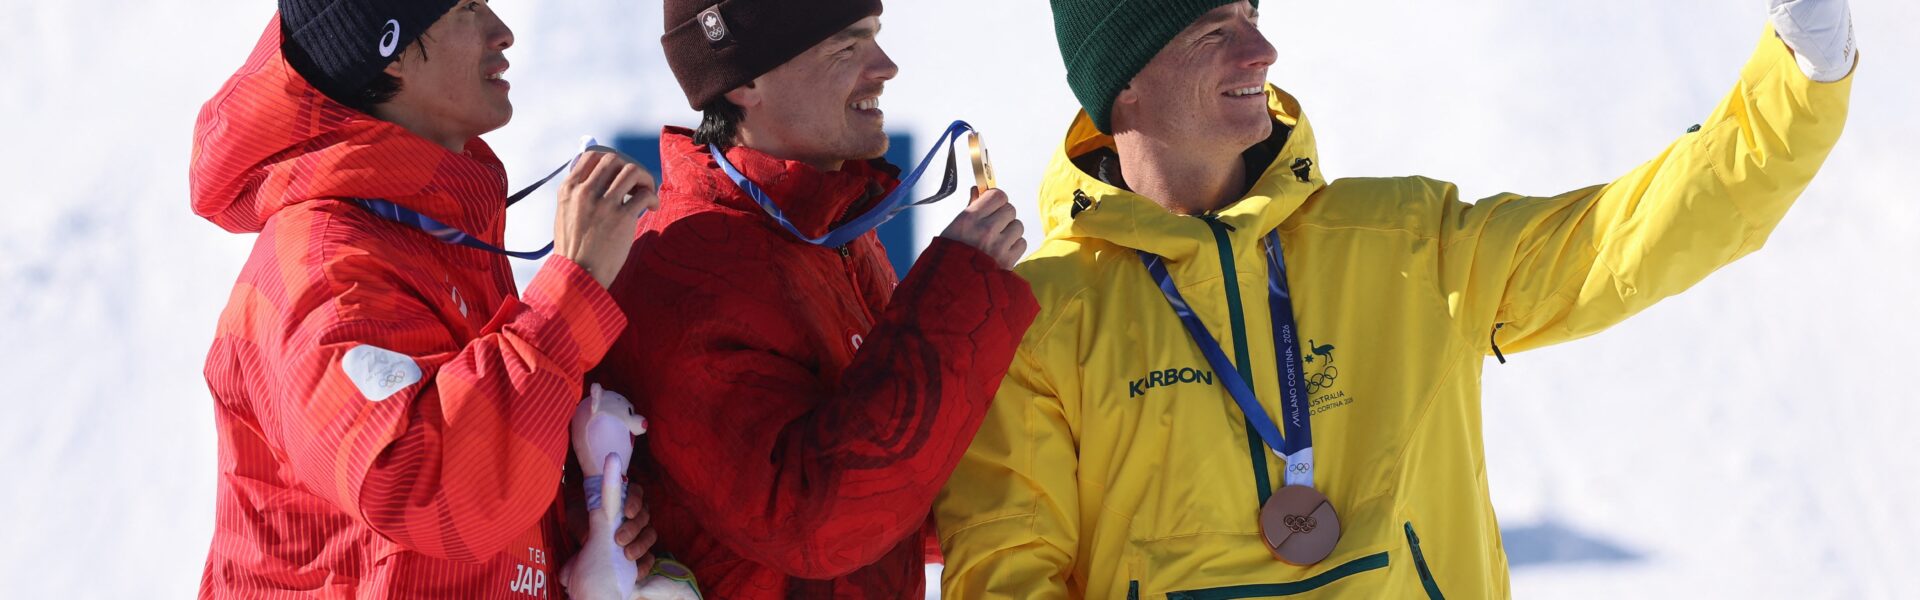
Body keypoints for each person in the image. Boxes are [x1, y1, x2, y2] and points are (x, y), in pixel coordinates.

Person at [935, 0, 1856, 597]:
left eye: (1251, 14)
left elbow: (1624, 238)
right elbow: (1007, 566)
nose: (1263, 48)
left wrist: (1798, 78)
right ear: (1123, 86)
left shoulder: (1405, 240)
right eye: (1213, 31)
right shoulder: (1042, 320)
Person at [191, 0, 661, 596]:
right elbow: (420, 484)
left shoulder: (426, 228)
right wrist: (571, 293)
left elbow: (452, 484)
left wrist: (552, 518)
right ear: (387, 52)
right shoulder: (326, 267)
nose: (503, 32)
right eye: (466, 7)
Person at [587, 0, 1040, 597]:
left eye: (874, 36)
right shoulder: (687, 266)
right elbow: (815, 521)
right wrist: (959, 293)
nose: (885, 67)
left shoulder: (826, 227)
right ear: (745, 81)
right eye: (846, 46)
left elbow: (907, 493)